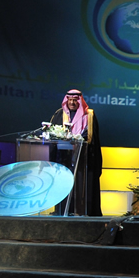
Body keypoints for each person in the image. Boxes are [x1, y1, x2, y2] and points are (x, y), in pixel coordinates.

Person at [48, 88, 101, 216]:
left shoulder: (89, 115)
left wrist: (78, 140)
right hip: (64, 159)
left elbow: (92, 137)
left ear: (80, 101)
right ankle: (64, 211)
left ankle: (85, 212)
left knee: (83, 185)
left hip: (84, 158)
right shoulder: (59, 114)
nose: (72, 103)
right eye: (70, 100)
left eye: (75, 100)